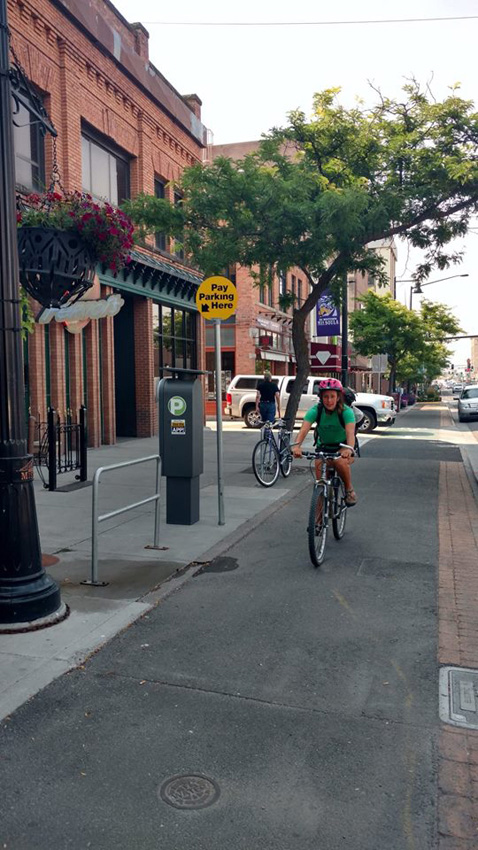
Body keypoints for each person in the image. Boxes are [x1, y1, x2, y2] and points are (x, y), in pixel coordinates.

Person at [292, 377, 358, 506]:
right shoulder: (316, 410)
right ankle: (316, 524)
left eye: (332, 396)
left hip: (342, 447)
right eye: (326, 397)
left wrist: (349, 449)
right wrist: (296, 446)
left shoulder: (346, 412)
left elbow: (350, 434)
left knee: (339, 462)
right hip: (323, 447)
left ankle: (349, 490)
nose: (329, 400)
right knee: (319, 484)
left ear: (338, 397)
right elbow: (303, 430)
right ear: (321, 397)